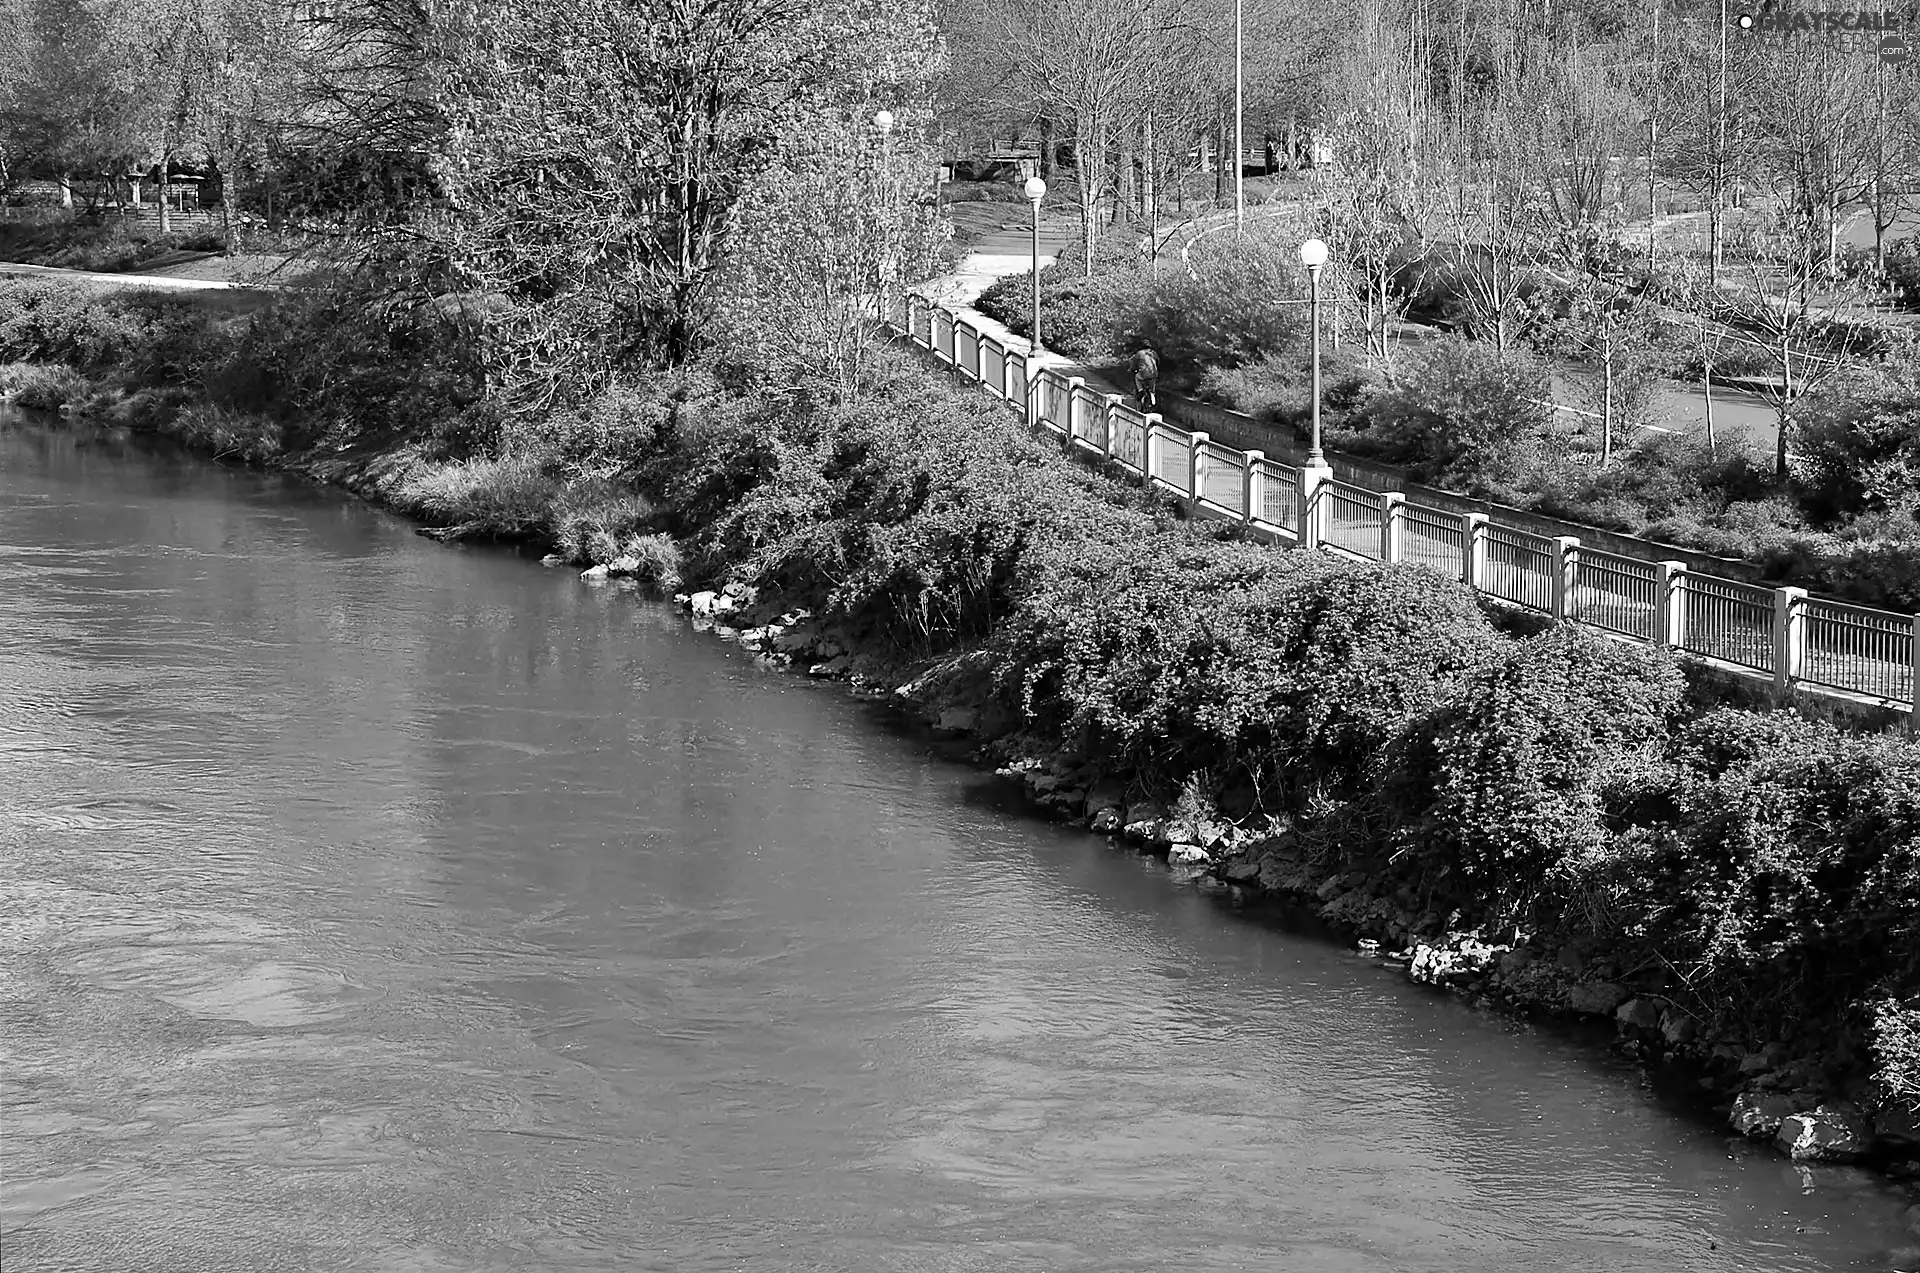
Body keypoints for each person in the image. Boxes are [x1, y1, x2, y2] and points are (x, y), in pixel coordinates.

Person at [1129, 346, 1159, 411]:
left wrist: (1132, 369)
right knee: (1152, 389)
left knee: (1137, 377)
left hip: (1143, 374)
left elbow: (1134, 364)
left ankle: (1140, 390)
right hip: (1153, 374)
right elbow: (1158, 361)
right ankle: (1152, 395)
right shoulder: (1153, 352)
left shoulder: (1139, 353)